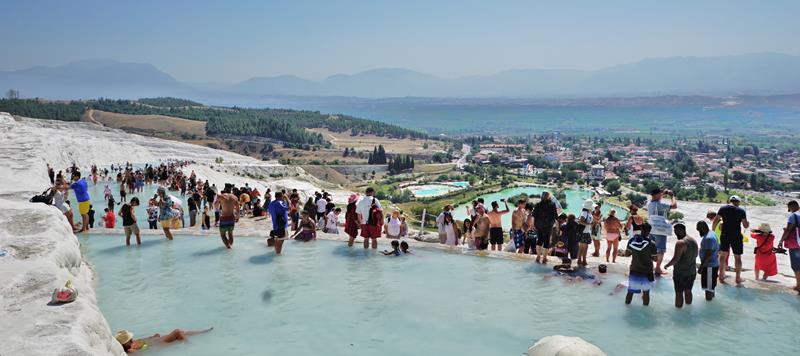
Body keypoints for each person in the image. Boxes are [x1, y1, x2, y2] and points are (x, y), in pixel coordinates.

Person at [712, 195, 749, 284]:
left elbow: (716, 220)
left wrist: (713, 230)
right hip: (736, 235)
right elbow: (745, 225)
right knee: (737, 257)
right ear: (738, 202)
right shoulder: (741, 211)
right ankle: (738, 278)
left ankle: (721, 275)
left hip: (725, 234)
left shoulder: (723, 208)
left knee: (723, 255)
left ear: (730, 201)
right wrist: (748, 223)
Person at [664, 222, 698, 308]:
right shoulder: (693, 240)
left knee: (679, 293)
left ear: (681, 230)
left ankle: (678, 313)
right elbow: (695, 255)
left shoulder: (680, 243)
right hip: (692, 272)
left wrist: (667, 265)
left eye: (676, 232)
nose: (675, 234)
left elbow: (675, 259)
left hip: (681, 273)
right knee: (688, 291)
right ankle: (688, 309)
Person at [645, 188, 677, 275]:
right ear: (656, 195)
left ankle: (651, 266)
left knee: (651, 249)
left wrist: (663, 193)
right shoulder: (660, 205)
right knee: (661, 250)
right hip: (660, 230)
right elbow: (674, 206)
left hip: (651, 229)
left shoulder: (649, 203)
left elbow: (657, 197)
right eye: (660, 194)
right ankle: (658, 268)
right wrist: (672, 196)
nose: (661, 196)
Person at [625, 223, 657, 306]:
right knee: (646, 293)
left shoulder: (632, 240)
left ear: (641, 229)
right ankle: (645, 312)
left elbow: (627, 254)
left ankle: (627, 308)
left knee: (630, 292)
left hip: (635, 269)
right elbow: (655, 259)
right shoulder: (652, 244)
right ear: (649, 231)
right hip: (647, 271)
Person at [114, 327, 213, 353]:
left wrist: (152, 337)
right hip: (162, 343)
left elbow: (144, 343)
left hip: (158, 341)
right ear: (123, 343)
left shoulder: (131, 346)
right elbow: (145, 347)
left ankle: (202, 332)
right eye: (129, 340)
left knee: (182, 332)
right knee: (178, 332)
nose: (132, 341)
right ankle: (189, 345)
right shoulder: (130, 352)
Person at [778, 200, 800, 291]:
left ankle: (798, 285)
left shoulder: (793, 216)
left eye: (789, 208)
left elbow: (788, 230)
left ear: (792, 206)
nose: (789, 210)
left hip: (796, 245)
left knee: (796, 265)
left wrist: (781, 241)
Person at [696, 221, 720, 301]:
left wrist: (701, 267)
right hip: (713, 265)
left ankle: (709, 305)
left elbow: (708, 254)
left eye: (699, 230)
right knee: (711, 287)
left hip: (709, 266)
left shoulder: (708, 238)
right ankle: (711, 302)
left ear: (703, 228)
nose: (699, 232)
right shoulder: (712, 233)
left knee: (708, 289)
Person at [533, 192, 558, 262]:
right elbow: (555, 215)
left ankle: (538, 256)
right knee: (546, 241)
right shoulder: (552, 204)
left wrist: (533, 225)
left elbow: (534, 215)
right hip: (548, 226)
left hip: (539, 225)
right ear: (548, 197)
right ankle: (544, 258)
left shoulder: (538, 204)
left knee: (539, 240)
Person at [577, 200, 594, 266]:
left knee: (582, 247)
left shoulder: (587, 212)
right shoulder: (585, 213)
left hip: (586, 232)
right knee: (584, 247)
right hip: (584, 232)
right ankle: (583, 260)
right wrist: (589, 224)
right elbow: (581, 221)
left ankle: (580, 260)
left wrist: (589, 224)